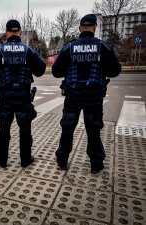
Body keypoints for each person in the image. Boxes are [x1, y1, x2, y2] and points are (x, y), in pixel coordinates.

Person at [52, 14, 121, 174]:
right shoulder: (103, 47)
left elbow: (56, 71)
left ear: (79, 28)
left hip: (73, 96)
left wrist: (69, 68)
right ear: (95, 28)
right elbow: (115, 70)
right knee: (93, 129)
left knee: (68, 128)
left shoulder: (69, 48)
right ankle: (96, 164)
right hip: (94, 97)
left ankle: (62, 160)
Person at [0, 19, 46, 168]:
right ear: (20, 33)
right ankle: (25, 160)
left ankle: (2, 160)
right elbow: (41, 70)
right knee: (25, 130)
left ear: (6, 33)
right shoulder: (28, 50)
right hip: (23, 97)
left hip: (5, 97)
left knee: (3, 130)